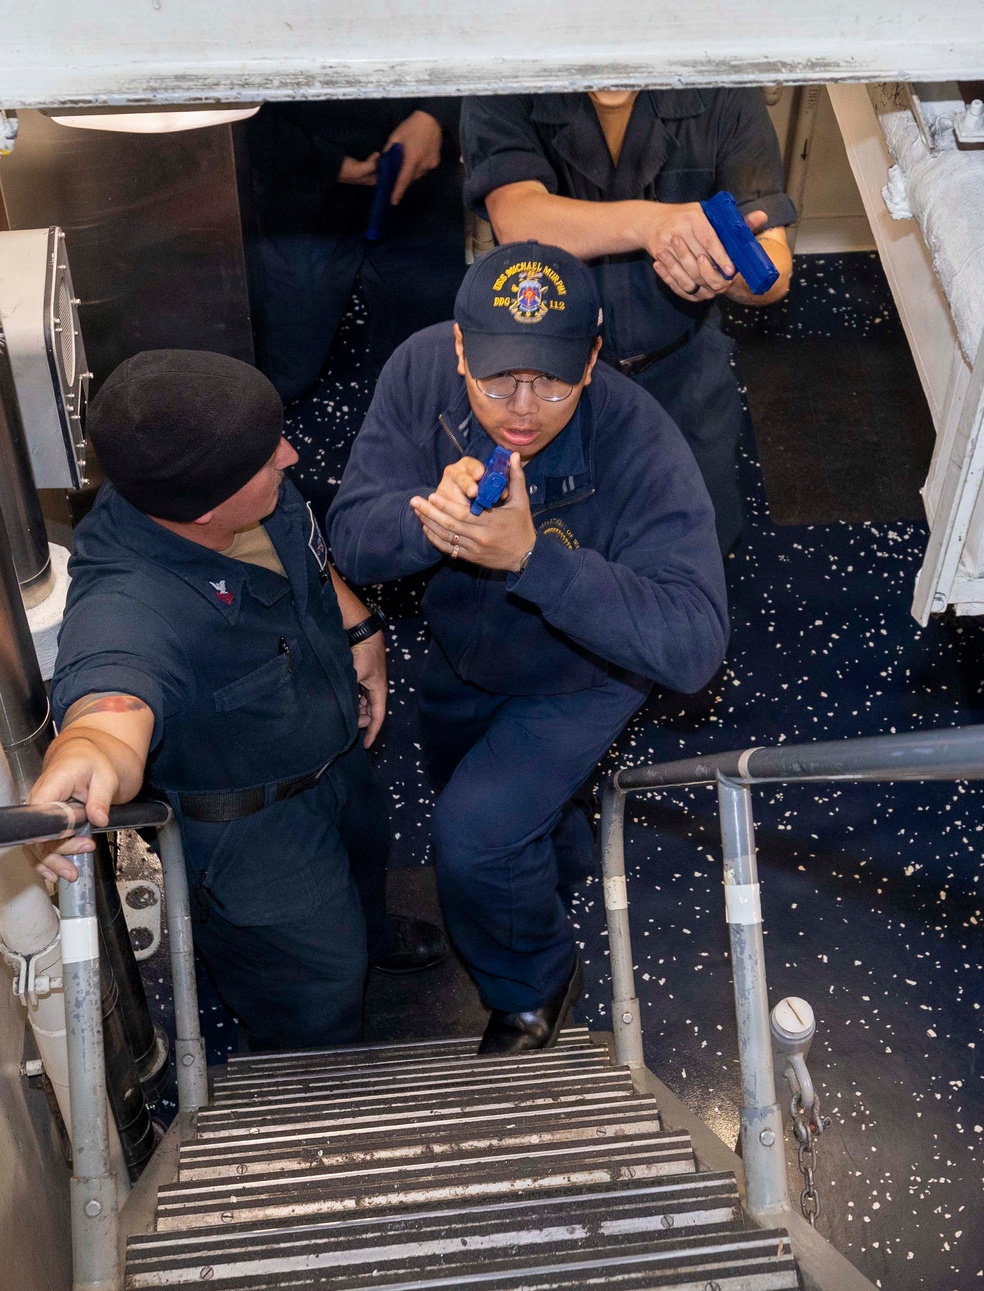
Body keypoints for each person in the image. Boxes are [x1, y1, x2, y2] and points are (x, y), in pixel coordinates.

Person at [328, 241, 729, 1055]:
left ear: (591, 356)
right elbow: (352, 537)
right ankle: (559, 849)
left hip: (583, 676)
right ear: (460, 349)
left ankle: (533, 984)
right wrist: (421, 524)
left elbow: (692, 644)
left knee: (474, 834)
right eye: (496, 379)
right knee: (467, 784)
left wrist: (530, 560)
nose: (521, 406)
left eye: (550, 380)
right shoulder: (416, 373)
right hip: (461, 657)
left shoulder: (641, 444)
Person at [28, 349, 443, 1053]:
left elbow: (307, 556)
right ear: (204, 508)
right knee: (315, 982)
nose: (288, 453)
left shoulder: (241, 491)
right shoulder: (132, 602)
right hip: (259, 837)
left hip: (339, 766)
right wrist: (87, 752)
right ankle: (311, 1082)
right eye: (265, 455)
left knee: (367, 871)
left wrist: (360, 625)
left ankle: (372, 934)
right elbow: (110, 696)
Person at [459, 89, 796, 554]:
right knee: (550, 549)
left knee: (700, 541)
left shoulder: (723, 86)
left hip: (684, 368)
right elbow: (516, 215)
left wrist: (726, 271)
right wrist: (651, 224)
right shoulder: (511, 72)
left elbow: (772, 271)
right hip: (554, 381)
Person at [245, 98, 468, 404]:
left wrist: (437, 113)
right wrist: (315, 161)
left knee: (426, 369)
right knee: (287, 369)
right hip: (295, 180)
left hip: (418, 168)